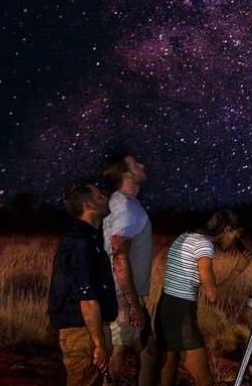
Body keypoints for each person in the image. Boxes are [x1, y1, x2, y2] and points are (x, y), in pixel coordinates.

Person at [155, 210, 247, 386]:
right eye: (237, 235)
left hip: (165, 309)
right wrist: (238, 269)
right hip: (181, 316)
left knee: (167, 372)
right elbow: (212, 295)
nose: (236, 242)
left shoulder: (185, 236)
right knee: (204, 380)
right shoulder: (203, 245)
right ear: (227, 229)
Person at [48, 181, 119, 386]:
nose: (105, 197)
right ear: (88, 206)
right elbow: (87, 298)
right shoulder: (81, 242)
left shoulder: (90, 238)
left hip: (89, 330)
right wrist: (98, 344)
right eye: (99, 196)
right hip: (83, 332)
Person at [101, 153, 158, 386]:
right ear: (125, 174)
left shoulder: (121, 203)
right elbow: (119, 254)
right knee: (117, 355)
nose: (143, 164)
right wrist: (132, 304)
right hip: (122, 296)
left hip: (124, 295)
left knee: (148, 353)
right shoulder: (125, 206)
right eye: (136, 163)